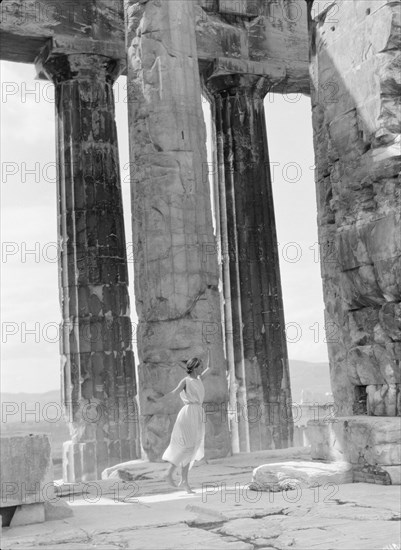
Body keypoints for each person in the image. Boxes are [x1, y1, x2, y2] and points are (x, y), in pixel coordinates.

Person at [161, 349, 211, 493]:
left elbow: (211, 368)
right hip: (188, 413)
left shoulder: (199, 379)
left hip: (198, 414)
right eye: (200, 366)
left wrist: (210, 350)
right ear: (195, 367)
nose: (202, 368)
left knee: (193, 447)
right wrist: (158, 400)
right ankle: (169, 472)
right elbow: (173, 393)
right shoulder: (186, 381)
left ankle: (184, 481)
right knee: (186, 446)